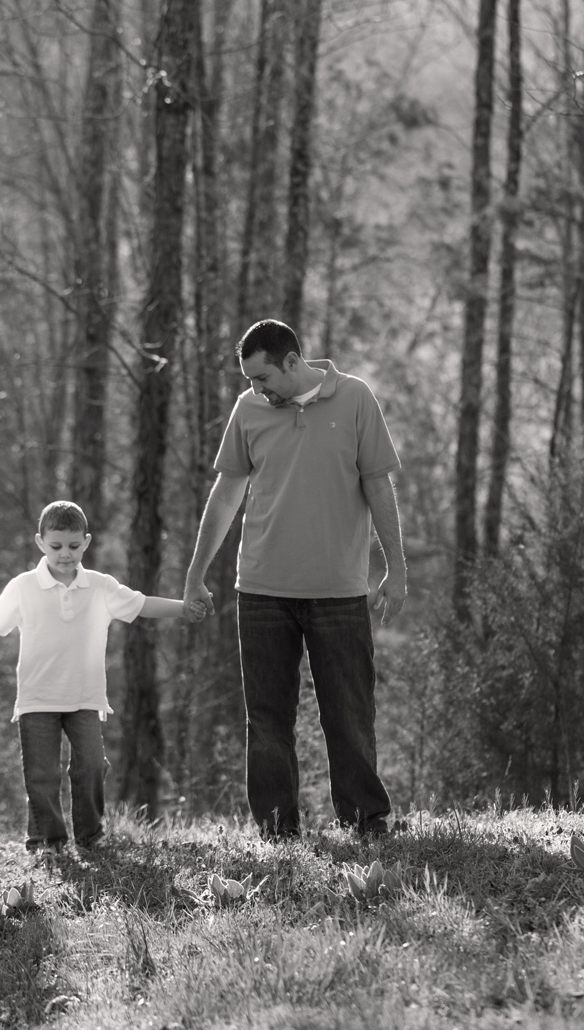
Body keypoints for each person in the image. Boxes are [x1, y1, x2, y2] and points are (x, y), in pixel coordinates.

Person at [184, 319, 407, 840]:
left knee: (349, 715)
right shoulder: (249, 409)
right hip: (262, 590)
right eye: (249, 379)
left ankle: (365, 821)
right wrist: (195, 574)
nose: (256, 388)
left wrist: (396, 568)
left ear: (291, 361)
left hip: (339, 591)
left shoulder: (355, 399)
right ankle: (277, 831)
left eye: (262, 377)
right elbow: (224, 496)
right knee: (266, 721)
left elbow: (378, 485)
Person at [0, 500, 194, 852]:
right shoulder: (23, 586)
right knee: (42, 775)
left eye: (73, 546)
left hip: (84, 697)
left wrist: (184, 609)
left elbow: (142, 604)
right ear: (40, 542)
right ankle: (47, 840)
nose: (65, 554)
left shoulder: (100, 586)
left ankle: (90, 836)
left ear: (85, 542)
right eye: (56, 546)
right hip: (37, 698)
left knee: (89, 766)